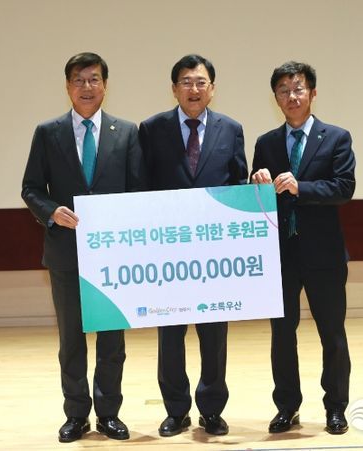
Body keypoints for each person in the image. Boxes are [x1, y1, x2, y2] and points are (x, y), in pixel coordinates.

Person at [21, 52, 145, 442]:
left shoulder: (127, 132)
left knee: (112, 340)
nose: (86, 87)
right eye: (78, 80)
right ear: (67, 86)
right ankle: (76, 415)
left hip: (113, 255)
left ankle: (109, 413)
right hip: (66, 252)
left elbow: (138, 190)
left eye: (93, 79)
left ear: (105, 85)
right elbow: (30, 188)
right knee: (72, 339)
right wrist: (51, 211)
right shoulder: (48, 132)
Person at [138, 54, 248, 437]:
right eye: (186, 82)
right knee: (170, 335)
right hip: (168, 252)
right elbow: (141, 187)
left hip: (214, 255)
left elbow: (238, 186)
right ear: (174, 89)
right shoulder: (151, 129)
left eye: (201, 82)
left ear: (212, 88)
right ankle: (176, 410)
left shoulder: (231, 129)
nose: (194, 89)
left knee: (214, 335)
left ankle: (212, 410)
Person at [251, 61, 356, 435]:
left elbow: (344, 188)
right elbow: (258, 201)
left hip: (324, 255)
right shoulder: (266, 143)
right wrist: (256, 181)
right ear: (275, 97)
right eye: (283, 90)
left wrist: (301, 187)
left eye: (298, 89)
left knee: (332, 334)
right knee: (282, 335)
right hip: (280, 256)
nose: (291, 96)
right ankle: (287, 407)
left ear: (312, 93)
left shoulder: (336, 137)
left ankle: (336, 407)